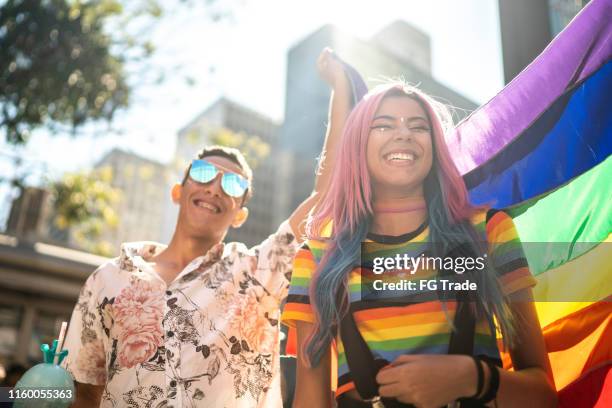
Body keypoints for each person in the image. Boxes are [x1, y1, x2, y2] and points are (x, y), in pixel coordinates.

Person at [61, 48, 354, 407]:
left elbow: (324, 198)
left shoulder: (255, 274)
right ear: (178, 192)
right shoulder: (107, 279)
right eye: (202, 174)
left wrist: (340, 87)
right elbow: (85, 391)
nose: (215, 187)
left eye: (232, 186)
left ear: (240, 215)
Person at [282, 82, 558, 407]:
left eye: (419, 126)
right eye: (383, 125)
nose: (404, 134)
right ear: (357, 145)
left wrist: (471, 377)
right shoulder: (316, 258)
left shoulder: (489, 232)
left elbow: (543, 395)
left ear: (435, 146)